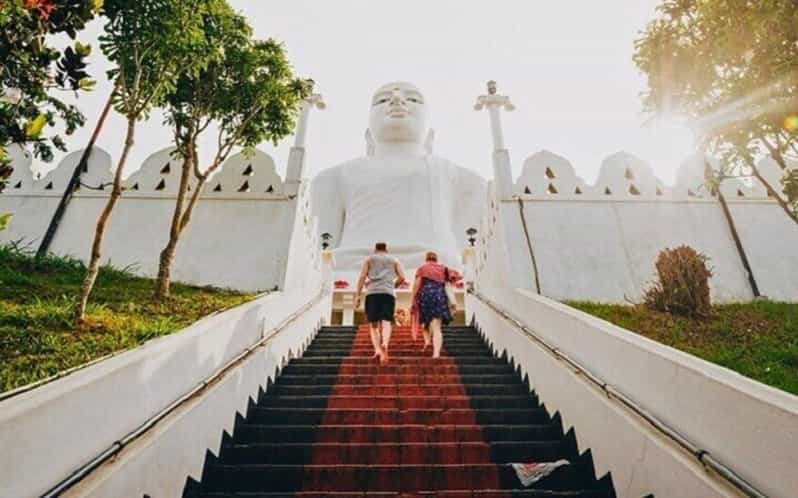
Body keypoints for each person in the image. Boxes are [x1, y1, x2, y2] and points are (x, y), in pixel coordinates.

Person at [354, 242, 406, 364]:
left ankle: (377, 349)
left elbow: (362, 277)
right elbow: (402, 277)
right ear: (386, 249)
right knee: (386, 322)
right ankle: (385, 343)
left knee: (373, 325)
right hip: (388, 293)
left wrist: (358, 295)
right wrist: (393, 286)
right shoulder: (394, 260)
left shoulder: (369, 259)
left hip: (372, 293)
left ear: (375, 249)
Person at [411, 251, 454, 359]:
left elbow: (416, 285)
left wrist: (412, 299)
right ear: (436, 259)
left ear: (426, 259)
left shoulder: (422, 268)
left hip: (425, 296)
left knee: (425, 323)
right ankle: (436, 353)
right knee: (437, 328)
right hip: (439, 296)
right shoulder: (443, 268)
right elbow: (451, 281)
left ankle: (427, 341)